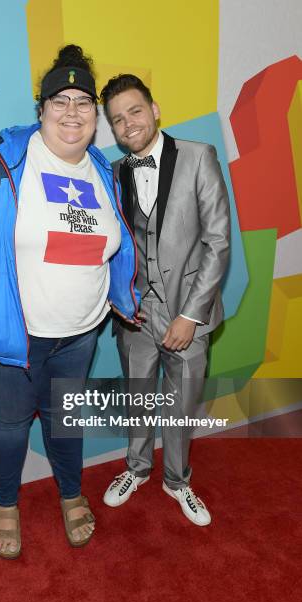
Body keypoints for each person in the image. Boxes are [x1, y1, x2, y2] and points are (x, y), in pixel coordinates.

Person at [0, 47, 139, 559]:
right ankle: (6, 505)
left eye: (84, 101)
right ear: (41, 108)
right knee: (7, 425)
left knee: (64, 419)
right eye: (59, 100)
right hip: (14, 335)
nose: (72, 111)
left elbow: (113, 247)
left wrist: (117, 296)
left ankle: (71, 493)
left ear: (96, 113)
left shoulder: (102, 170)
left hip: (80, 333)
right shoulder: (1, 159)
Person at [101, 74, 230, 525]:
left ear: (154, 110)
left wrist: (190, 316)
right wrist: (117, 298)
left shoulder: (199, 157)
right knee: (138, 396)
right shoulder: (112, 173)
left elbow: (218, 242)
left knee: (180, 404)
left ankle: (178, 480)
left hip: (187, 312)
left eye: (134, 111)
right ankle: (136, 468)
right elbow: (106, 246)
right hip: (135, 315)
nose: (127, 124)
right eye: (116, 119)